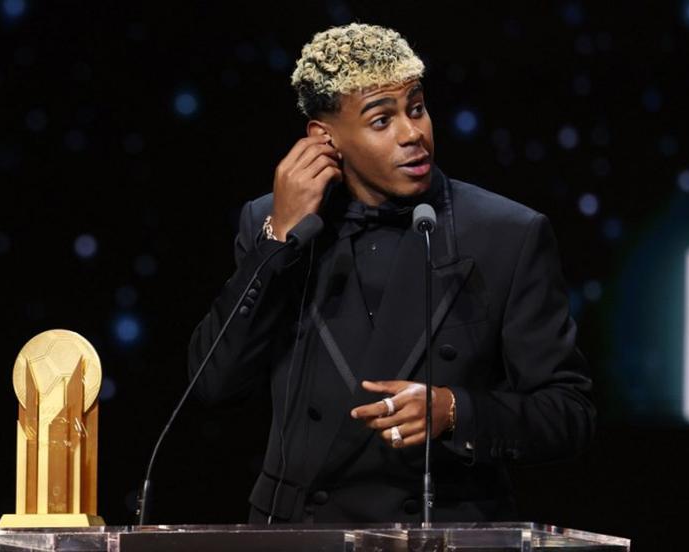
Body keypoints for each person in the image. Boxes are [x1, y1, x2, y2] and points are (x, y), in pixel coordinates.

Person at [188, 22, 595, 524]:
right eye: (382, 120)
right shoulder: (268, 222)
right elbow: (213, 383)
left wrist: (455, 411)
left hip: (436, 530)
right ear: (325, 138)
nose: (413, 134)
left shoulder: (506, 234)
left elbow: (568, 414)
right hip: (298, 532)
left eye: (417, 108)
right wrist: (279, 243)